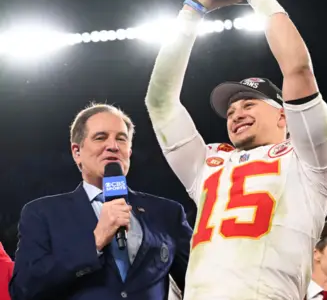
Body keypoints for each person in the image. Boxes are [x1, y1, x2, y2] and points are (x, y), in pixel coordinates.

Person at [145, 0, 327, 300]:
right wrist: (193, 8)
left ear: (284, 116)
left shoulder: (309, 161)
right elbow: (160, 102)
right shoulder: (209, 163)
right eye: (230, 111)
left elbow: (298, 69)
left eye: (249, 104)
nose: (236, 114)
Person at [10, 103, 193, 300]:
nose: (113, 146)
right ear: (76, 152)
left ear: (129, 153)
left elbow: (200, 280)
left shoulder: (167, 212)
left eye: (121, 139)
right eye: (100, 137)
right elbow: (24, 288)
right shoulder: (42, 213)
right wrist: (96, 241)